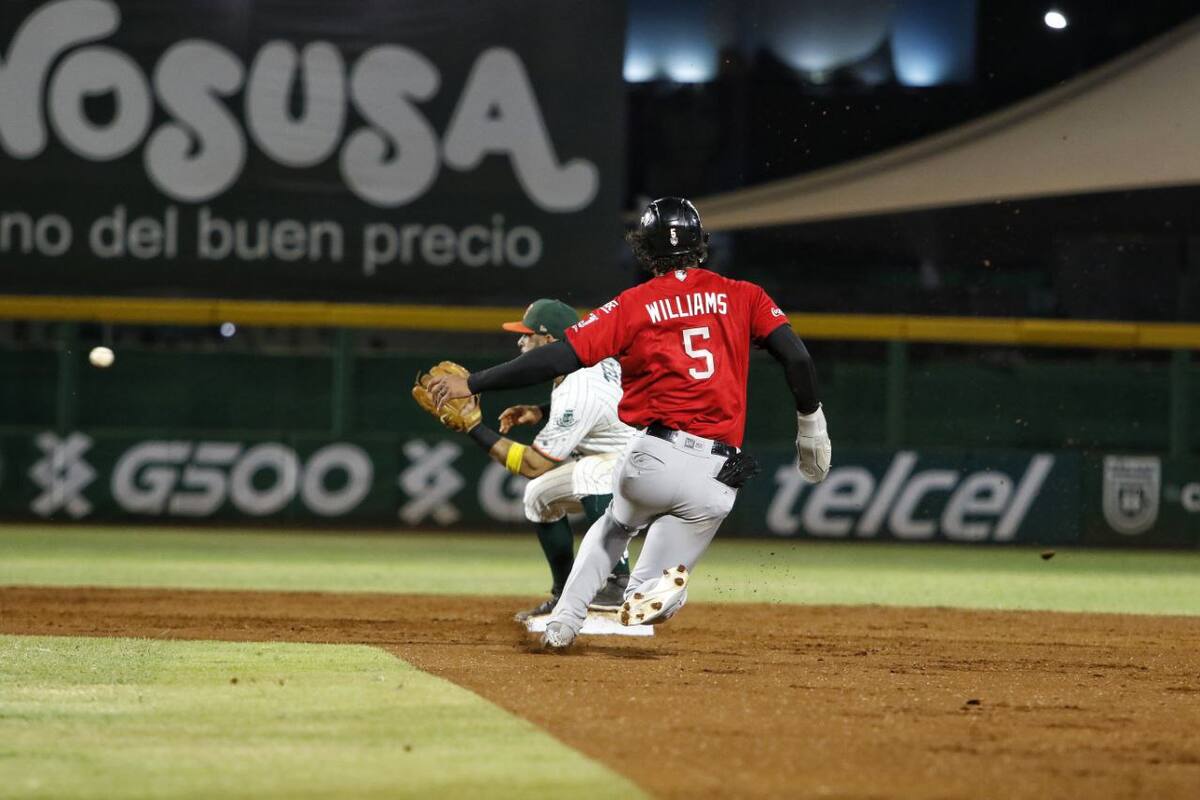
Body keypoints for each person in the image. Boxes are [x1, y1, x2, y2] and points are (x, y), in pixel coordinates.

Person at [430, 197, 831, 649]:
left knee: (613, 529)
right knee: (651, 590)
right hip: (718, 474)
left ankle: (563, 624)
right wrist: (811, 423)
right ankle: (655, 591)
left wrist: (477, 381)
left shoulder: (634, 304)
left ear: (644, 249)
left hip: (653, 458)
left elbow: (559, 355)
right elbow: (796, 357)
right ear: (701, 242)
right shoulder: (744, 295)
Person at [474, 298, 635, 619]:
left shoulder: (580, 388)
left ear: (549, 341)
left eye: (527, 334)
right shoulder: (586, 363)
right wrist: (540, 412)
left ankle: (618, 580)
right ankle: (564, 594)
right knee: (539, 497)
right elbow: (601, 409)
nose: (520, 341)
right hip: (626, 457)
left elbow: (535, 464)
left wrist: (473, 428)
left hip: (642, 468)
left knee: (590, 472)